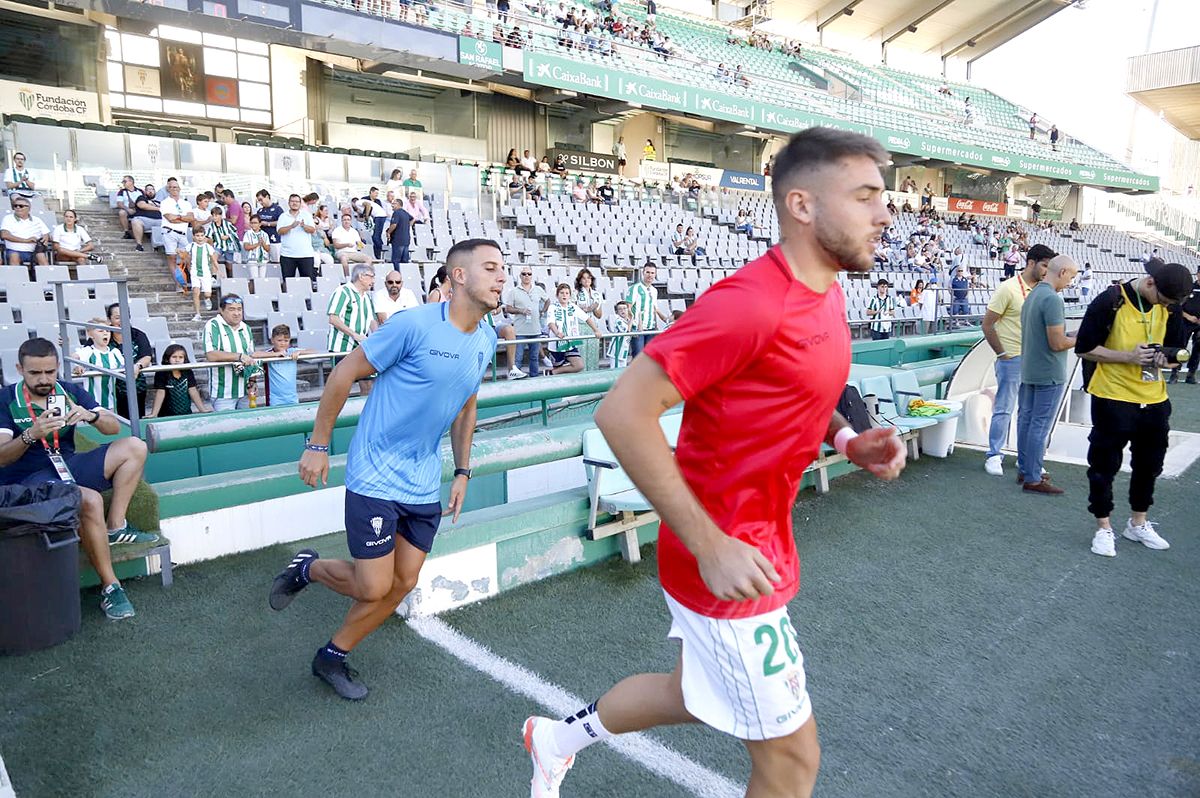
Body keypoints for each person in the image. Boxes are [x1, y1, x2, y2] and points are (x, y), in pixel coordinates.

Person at [522, 127, 906, 798]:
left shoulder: (829, 288)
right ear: (802, 205)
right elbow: (621, 412)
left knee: (691, 694)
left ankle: (552, 741)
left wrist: (847, 441)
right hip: (725, 559)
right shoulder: (750, 305)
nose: (886, 213)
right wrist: (711, 546)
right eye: (867, 196)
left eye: (886, 197)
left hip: (759, 545)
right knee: (792, 764)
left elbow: (802, 391)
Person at [269, 238, 503, 700]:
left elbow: (466, 407)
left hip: (423, 478)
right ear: (458, 276)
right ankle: (310, 568)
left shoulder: (488, 338)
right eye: (491, 268)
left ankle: (331, 656)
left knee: (403, 582)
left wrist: (462, 471)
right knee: (373, 585)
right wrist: (318, 444)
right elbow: (343, 373)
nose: (502, 277)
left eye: (503, 269)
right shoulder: (412, 325)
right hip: (374, 473)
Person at [0, 338, 156, 619]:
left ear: (58, 367)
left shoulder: (68, 391)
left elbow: (110, 427)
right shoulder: (5, 399)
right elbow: (1, 456)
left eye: (50, 371)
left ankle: (115, 526)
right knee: (89, 499)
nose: (44, 379)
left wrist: (90, 415)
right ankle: (111, 587)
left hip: (67, 465)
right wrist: (30, 435)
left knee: (135, 446)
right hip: (27, 480)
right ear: (19, 369)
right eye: (35, 373)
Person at [1075, 260, 1194, 557]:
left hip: (1153, 398)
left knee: (1150, 465)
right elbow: (1084, 347)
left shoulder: (1171, 306)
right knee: (1104, 466)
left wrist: (1164, 360)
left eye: (1171, 304)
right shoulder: (1111, 300)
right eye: (1163, 302)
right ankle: (1103, 527)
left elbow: (1176, 354)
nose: (1166, 307)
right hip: (1112, 395)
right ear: (1150, 283)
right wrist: (1127, 357)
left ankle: (1138, 523)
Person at [980, 244, 1056, 477]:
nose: (1047, 271)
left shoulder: (1045, 291)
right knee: (1004, 408)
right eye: (1044, 265)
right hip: (1012, 359)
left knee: (1029, 412)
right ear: (1030, 263)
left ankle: (1026, 460)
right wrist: (1003, 354)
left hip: (1036, 362)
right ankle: (994, 455)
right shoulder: (1008, 289)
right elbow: (987, 324)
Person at [1017, 255, 1078, 495]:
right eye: (1071, 277)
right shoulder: (1052, 299)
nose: (1071, 282)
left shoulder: (1032, 294)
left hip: (1031, 368)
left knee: (1026, 421)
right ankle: (1033, 476)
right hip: (1049, 371)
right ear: (1062, 272)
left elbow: (1048, 337)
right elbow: (1057, 343)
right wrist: (1081, 338)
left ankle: (1026, 469)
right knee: (1039, 426)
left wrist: (1071, 334)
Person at [204, 294, 269, 411]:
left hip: (245, 391)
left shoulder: (246, 328)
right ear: (221, 310)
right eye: (231, 309)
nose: (237, 313)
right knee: (227, 427)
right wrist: (239, 356)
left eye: (239, 309)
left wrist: (253, 382)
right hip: (223, 393)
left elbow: (251, 355)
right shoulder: (213, 325)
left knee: (246, 426)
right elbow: (211, 355)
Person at [106, 303, 153, 418]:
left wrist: (138, 366)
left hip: (136, 387)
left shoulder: (138, 335)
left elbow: (146, 356)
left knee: (136, 420)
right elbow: (86, 351)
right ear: (109, 319)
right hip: (110, 390)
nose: (121, 321)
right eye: (117, 318)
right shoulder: (104, 335)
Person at [504, 266, 549, 377]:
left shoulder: (538, 289)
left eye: (529, 274)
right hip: (520, 331)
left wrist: (542, 312)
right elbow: (508, 308)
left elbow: (548, 300)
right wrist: (521, 311)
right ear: (520, 276)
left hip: (535, 330)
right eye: (524, 274)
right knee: (517, 359)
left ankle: (534, 381)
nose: (526, 276)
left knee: (534, 358)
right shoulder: (514, 291)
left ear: (532, 275)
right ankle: (515, 381)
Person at [547, 283, 602, 374]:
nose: (564, 295)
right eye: (562, 293)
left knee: (579, 365)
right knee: (559, 366)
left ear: (570, 295)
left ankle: (552, 372)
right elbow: (551, 323)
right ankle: (556, 376)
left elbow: (587, 318)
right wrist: (557, 333)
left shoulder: (573, 307)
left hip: (570, 342)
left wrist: (596, 330)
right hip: (556, 343)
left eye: (567, 293)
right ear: (557, 295)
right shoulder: (552, 307)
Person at [71, 320, 124, 411]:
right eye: (100, 331)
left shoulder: (115, 352)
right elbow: (73, 357)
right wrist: (77, 366)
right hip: (91, 402)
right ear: (91, 334)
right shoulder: (88, 351)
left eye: (107, 331)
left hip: (111, 401)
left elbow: (124, 367)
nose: (105, 334)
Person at [147, 345, 211, 418]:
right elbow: (160, 393)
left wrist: (202, 409)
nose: (177, 360)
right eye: (174, 357)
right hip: (166, 415)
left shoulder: (187, 371)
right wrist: (154, 414)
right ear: (167, 358)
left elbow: (193, 390)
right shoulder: (161, 372)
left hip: (186, 413)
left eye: (181, 357)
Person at [264, 324, 314, 407]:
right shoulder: (270, 353)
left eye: (286, 340)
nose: (283, 343)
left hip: (292, 398)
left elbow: (313, 351)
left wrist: (299, 352)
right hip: (275, 399)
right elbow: (255, 354)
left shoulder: (291, 351)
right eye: (279, 340)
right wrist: (276, 354)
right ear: (272, 340)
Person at [626, 263, 669, 359]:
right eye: (648, 272)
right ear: (643, 273)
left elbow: (654, 309)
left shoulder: (654, 291)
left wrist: (658, 325)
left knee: (649, 359)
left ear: (655, 274)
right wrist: (632, 327)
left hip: (651, 329)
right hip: (638, 329)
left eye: (652, 273)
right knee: (638, 358)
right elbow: (628, 308)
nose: (650, 275)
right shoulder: (635, 288)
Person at [159, 178, 194, 281]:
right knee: (172, 259)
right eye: (170, 187)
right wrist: (184, 218)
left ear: (179, 188)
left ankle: (194, 283)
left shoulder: (186, 203)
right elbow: (170, 218)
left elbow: (191, 218)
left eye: (175, 187)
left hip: (182, 234)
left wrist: (177, 217)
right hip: (169, 232)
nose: (173, 189)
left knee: (188, 258)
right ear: (167, 189)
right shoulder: (165, 202)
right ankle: (178, 284)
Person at [277, 193, 317, 281]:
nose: (294, 203)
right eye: (292, 201)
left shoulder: (306, 215)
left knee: (307, 282)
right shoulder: (283, 216)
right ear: (289, 203)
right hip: (287, 255)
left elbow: (313, 230)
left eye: (297, 201)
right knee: (288, 282)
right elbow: (280, 231)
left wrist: (304, 226)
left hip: (305, 255)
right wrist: (291, 226)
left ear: (300, 203)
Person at [1, 197, 50, 266]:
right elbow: (4, 235)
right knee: (14, 256)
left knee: (42, 257)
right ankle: (17, 277)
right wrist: (26, 240)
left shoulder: (37, 220)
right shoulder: (8, 218)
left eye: (21, 206)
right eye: (15, 206)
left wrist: (45, 237)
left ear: (28, 208)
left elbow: (46, 233)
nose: (18, 208)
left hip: (34, 251)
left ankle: (47, 276)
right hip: (14, 250)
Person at [187, 227, 218, 322]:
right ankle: (197, 314)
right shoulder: (190, 246)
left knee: (207, 294)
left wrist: (216, 272)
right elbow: (187, 258)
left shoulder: (208, 247)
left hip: (206, 274)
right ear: (194, 237)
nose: (200, 238)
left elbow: (214, 260)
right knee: (196, 292)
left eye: (201, 235)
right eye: (197, 236)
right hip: (195, 273)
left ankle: (207, 298)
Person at [205, 205, 240, 279]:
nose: (214, 217)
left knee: (229, 265)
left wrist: (228, 236)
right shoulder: (211, 226)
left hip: (228, 246)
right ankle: (213, 277)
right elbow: (207, 237)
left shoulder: (227, 224)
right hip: (218, 246)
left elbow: (235, 233)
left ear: (220, 216)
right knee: (213, 258)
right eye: (213, 215)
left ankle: (230, 278)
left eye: (216, 215)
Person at [241, 215, 271, 280]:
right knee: (254, 279)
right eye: (251, 223)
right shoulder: (248, 234)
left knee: (262, 279)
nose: (253, 225)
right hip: (252, 260)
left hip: (263, 260)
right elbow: (246, 247)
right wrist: (257, 244)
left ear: (260, 224)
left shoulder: (264, 234)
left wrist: (263, 243)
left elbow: (268, 249)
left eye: (255, 223)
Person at [386, 197, 414, 268]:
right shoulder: (405, 213)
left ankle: (397, 276)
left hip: (398, 240)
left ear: (399, 204)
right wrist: (408, 225)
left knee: (396, 261)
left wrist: (389, 232)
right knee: (404, 261)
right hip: (406, 240)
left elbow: (394, 224)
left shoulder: (396, 213)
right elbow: (413, 219)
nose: (392, 205)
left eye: (394, 204)